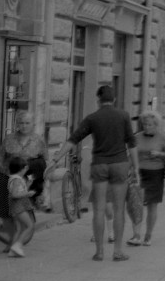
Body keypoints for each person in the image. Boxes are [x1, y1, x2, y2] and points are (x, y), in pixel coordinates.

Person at [51, 85, 138, 262]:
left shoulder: (92, 118)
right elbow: (132, 143)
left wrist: (56, 159)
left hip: (100, 165)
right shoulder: (123, 116)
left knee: (98, 208)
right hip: (120, 164)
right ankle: (118, 251)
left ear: (98, 100)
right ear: (114, 99)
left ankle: (99, 252)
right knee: (118, 208)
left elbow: (73, 139)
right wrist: (135, 167)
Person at [0, 111, 48, 224]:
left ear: (33, 124)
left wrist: (44, 185)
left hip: (27, 179)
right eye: (21, 123)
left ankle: (22, 234)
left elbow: (45, 161)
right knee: (5, 211)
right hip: (7, 177)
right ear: (17, 124)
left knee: (23, 209)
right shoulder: (9, 139)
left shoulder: (39, 140)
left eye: (27, 123)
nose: (24, 126)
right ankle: (11, 235)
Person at [129, 111, 165, 246]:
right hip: (140, 172)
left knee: (152, 205)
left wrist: (159, 154)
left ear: (156, 125)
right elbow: (131, 154)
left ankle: (148, 235)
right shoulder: (137, 137)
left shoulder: (162, 138)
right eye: (145, 124)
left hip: (156, 173)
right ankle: (136, 235)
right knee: (136, 204)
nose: (147, 127)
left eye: (150, 125)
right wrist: (130, 170)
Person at [5, 156, 35, 257]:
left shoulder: (14, 178)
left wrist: (28, 184)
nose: (25, 171)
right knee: (29, 225)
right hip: (19, 206)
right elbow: (15, 195)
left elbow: (20, 191)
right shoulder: (17, 180)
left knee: (18, 228)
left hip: (15, 206)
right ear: (21, 169)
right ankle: (17, 246)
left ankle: (11, 251)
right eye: (25, 169)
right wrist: (28, 194)